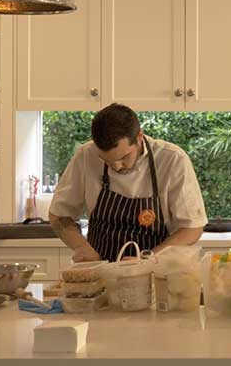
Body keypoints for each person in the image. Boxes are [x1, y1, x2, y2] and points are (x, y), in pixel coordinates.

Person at [49, 103, 207, 262]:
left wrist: (147, 260)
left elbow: (192, 228)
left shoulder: (173, 160)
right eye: (107, 161)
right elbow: (59, 215)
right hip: (99, 270)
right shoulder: (86, 155)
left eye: (123, 157)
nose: (116, 167)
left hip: (153, 273)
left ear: (139, 137)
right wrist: (80, 247)